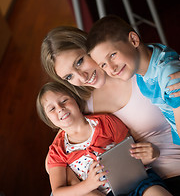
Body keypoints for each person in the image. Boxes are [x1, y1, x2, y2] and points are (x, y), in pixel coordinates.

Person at [41, 26, 180, 195]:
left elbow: (166, 66)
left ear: (91, 47)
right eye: (69, 77)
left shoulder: (133, 65)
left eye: (80, 61)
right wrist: (73, 180)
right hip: (133, 182)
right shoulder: (82, 104)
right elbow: (54, 156)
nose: (82, 77)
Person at [36, 81, 172, 196]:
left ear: (75, 100)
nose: (60, 108)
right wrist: (87, 185)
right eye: (52, 109)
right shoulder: (57, 150)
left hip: (137, 181)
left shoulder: (105, 122)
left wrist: (150, 154)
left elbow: (131, 152)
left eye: (64, 100)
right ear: (48, 119)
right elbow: (58, 192)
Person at [86, 15, 180, 146]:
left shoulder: (170, 77)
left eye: (113, 55)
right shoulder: (145, 66)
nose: (112, 68)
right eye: (103, 65)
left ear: (134, 40)